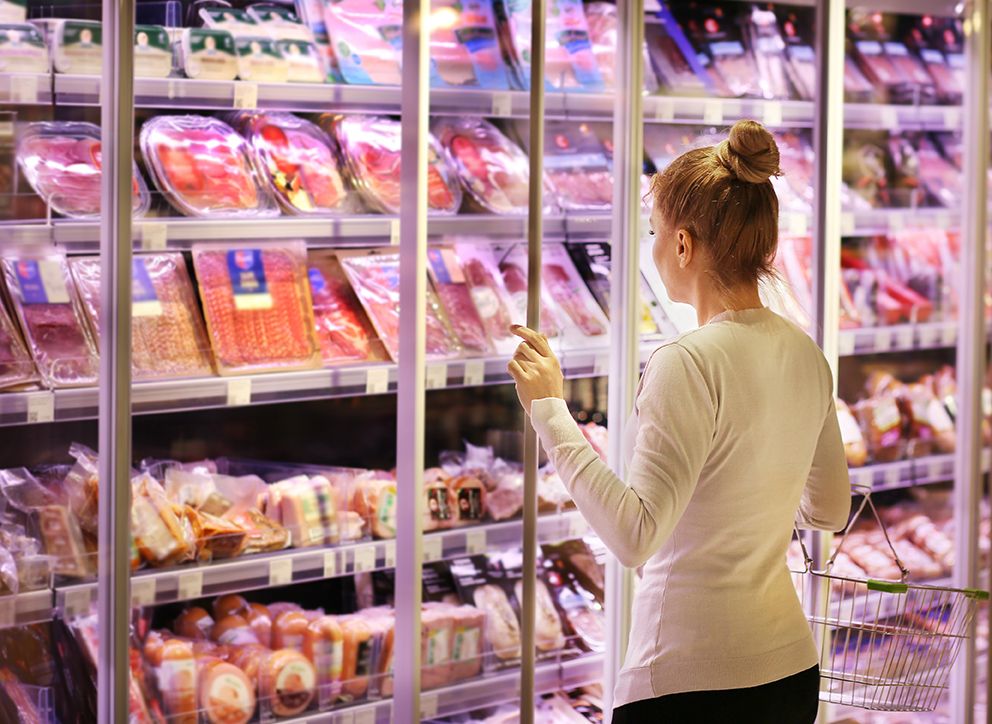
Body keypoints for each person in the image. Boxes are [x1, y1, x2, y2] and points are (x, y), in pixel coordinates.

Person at [507, 119, 850, 723]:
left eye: (656, 233)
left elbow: (635, 535)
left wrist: (549, 410)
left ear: (685, 245)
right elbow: (828, 510)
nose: (656, 248)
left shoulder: (685, 362)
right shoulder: (806, 353)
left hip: (689, 682)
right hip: (790, 671)